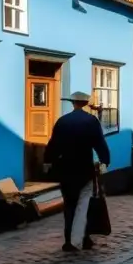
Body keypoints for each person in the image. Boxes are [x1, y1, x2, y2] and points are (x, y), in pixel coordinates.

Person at [44, 91, 111, 252]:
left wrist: (47, 161)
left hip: (65, 169)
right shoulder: (91, 121)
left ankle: (68, 240)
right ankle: (84, 238)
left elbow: (53, 144)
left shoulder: (62, 121)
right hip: (84, 169)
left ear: (73, 103)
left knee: (69, 204)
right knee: (84, 204)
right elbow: (99, 143)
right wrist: (105, 160)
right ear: (86, 103)